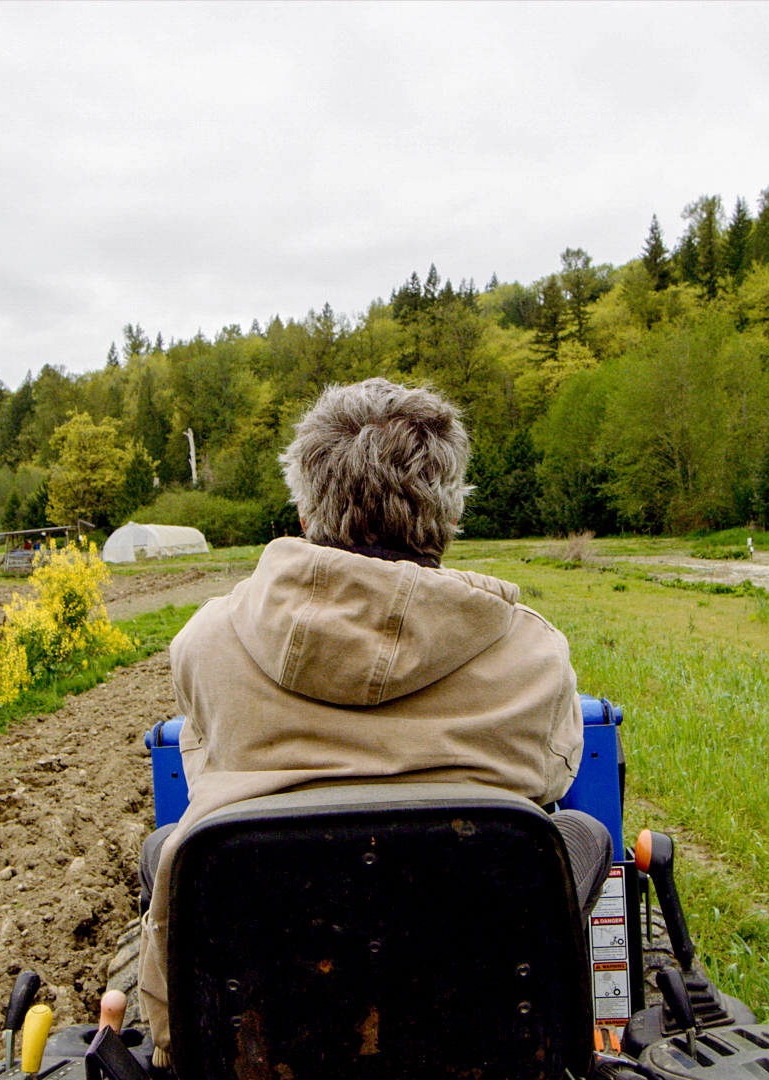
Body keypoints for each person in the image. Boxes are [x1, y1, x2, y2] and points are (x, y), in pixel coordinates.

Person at [133, 377, 609, 1056]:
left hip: (282, 1021)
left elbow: (205, 757)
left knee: (169, 850)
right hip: (467, 1028)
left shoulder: (207, 642)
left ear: (305, 511)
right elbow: (552, 776)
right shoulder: (536, 653)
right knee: (580, 830)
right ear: (446, 514)